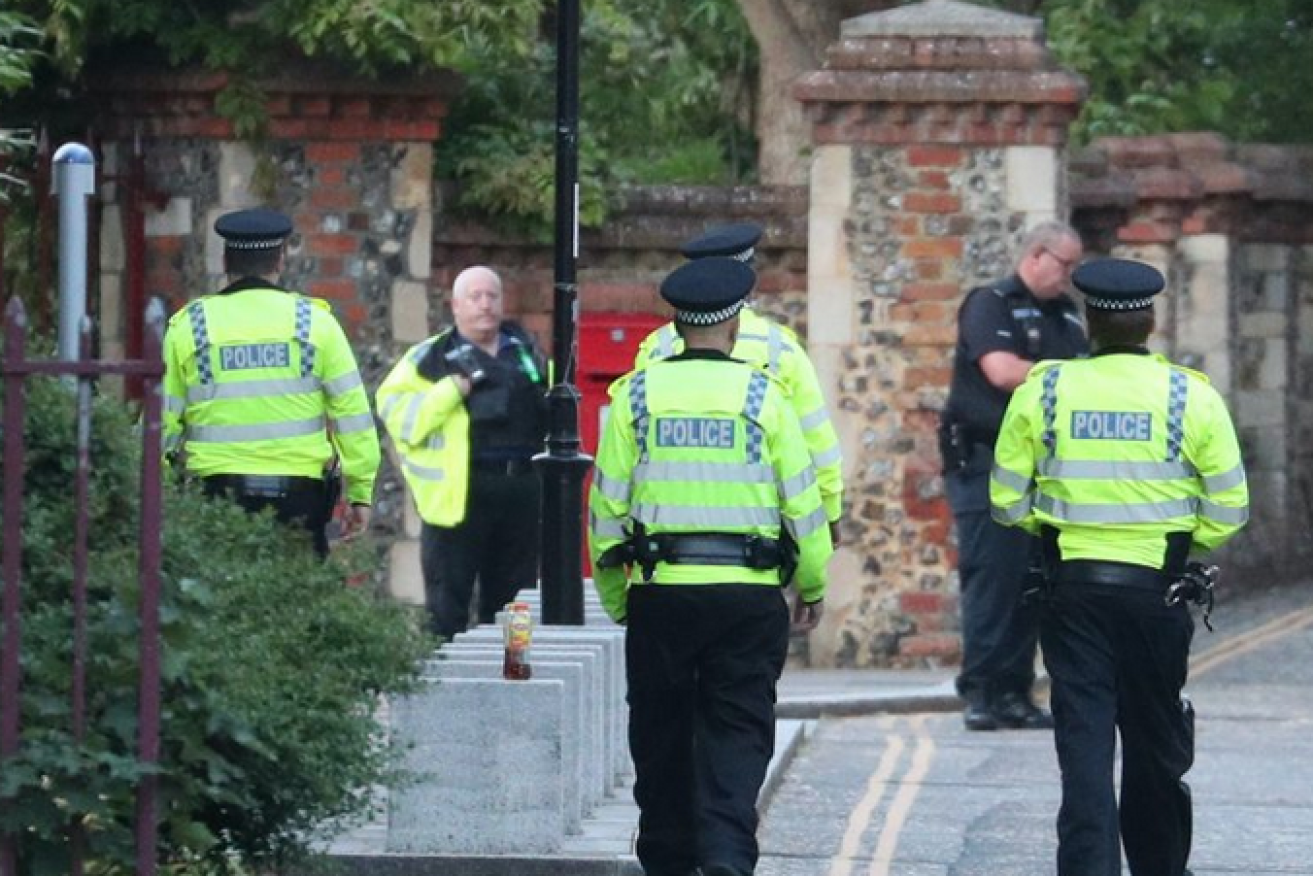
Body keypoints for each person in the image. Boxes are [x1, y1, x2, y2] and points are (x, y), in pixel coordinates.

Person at [990, 258, 1249, 876]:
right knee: (1156, 740)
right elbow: (1230, 507)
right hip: (1157, 592)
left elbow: (1005, 501)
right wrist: (1183, 546)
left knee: (1084, 741)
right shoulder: (1193, 395)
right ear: (1151, 322)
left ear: (1089, 323)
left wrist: (1057, 531)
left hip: (1072, 590)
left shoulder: (1044, 390)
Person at [589, 256, 832, 876]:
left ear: (675, 325)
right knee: (737, 731)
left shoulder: (635, 395)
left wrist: (620, 597)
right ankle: (727, 859)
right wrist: (811, 584)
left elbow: (606, 510)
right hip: (747, 599)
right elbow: (802, 506)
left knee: (660, 736)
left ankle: (667, 859)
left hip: (661, 595)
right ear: (732, 325)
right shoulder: (764, 397)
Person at [162, 207, 380, 556]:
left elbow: (160, 424)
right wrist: (360, 492)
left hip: (217, 498)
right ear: (280, 259)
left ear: (224, 259)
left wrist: (159, 494)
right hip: (299, 499)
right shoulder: (316, 324)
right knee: (297, 602)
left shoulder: (189, 326)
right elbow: (353, 417)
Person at [939, 220, 1087, 731]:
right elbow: (1001, 371)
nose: (1068, 276)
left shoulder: (1064, 314)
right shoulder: (991, 303)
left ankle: (1016, 692)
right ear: (1037, 255)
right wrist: (1070, 376)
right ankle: (981, 690)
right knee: (993, 578)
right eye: (1064, 264)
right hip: (986, 462)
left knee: (1032, 582)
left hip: (1043, 469)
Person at [634, 223, 844, 543]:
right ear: (749, 283)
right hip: (757, 546)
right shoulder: (782, 351)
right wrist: (829, 519)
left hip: (664, 548)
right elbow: (819, 449)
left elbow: (633, 447)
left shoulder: (656, 349)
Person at [376, 266, 549, 639]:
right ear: (455, 306)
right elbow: (398, 417)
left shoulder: (527, 353)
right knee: (446, 604)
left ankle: (515, 675)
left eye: (492, 296)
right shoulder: (431, 357)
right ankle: (443, 685)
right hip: (457, 498)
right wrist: (449, 392)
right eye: (475, 297)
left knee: (517, 604)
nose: (485, 305)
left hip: (520, 491)